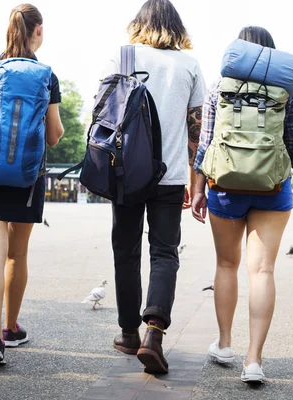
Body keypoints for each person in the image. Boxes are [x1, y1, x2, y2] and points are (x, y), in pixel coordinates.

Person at [190, 26, 293, 383]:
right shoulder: (287, 89)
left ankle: (224, 344)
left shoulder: (219, 85)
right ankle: (253, 360)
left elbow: (205, 143)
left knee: (227, 264)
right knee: (263, 271)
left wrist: (197, 188)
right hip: (273, 188)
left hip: (225, 186)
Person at [105, 0, 206, 375]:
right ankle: (154, 334)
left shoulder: (123, 58)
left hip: (126, 173)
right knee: (164, 253)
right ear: (176, 27)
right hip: (170, 175)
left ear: (139, 23)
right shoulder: (190, 64)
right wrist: (198, 181)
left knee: (126, 251)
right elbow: (198, 130)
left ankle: (129, 333)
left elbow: (102, 114)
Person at [0, 3, 64, 365]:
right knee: (16, 254)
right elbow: (53, 136)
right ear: (37, 31)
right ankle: (10, 327)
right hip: (27, 179)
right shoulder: (46, 75)